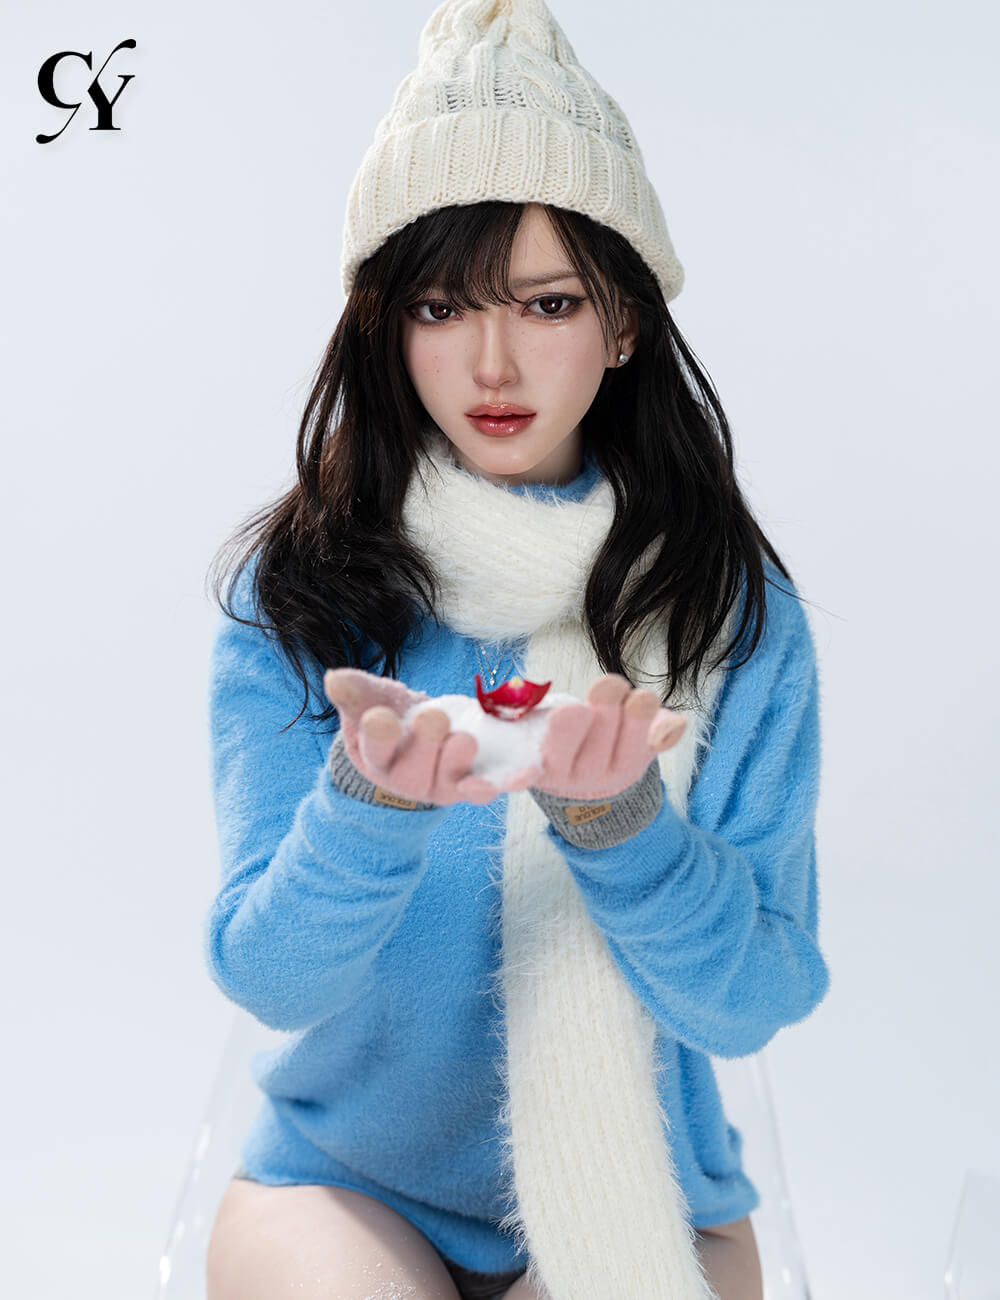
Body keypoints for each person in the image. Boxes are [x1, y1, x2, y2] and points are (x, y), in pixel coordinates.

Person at [202, 2, 830, 1298]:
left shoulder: (727, 607)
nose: (492, 363)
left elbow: (754, 1002)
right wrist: (368, 808)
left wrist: (624, 829)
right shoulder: (305, 586)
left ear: (625, 322)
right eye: (440, 305)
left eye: (547, 304)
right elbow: (268, 977)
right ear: (385, 326)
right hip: (346, 1187)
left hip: (653, 1199)